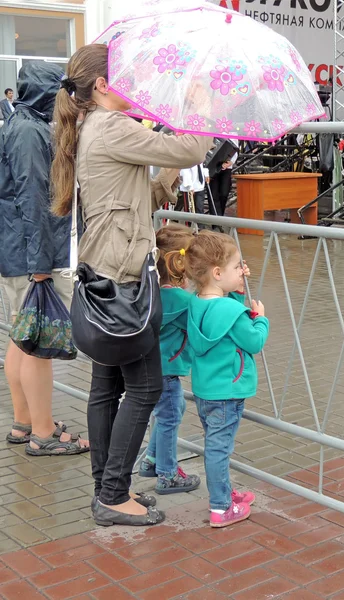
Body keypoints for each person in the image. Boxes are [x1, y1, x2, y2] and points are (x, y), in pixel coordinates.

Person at [50, 43, 212, 527]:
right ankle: (113, 494)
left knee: (107, 385)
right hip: (122, 280)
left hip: (103, 273)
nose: (136, 85)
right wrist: (197, 109)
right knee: (142, 389)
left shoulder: (92, 127)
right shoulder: (112, 126)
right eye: (125, 76)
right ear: (102, 85)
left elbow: (147, 192)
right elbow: (189, 147)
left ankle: (106, 487)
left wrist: (164, 163)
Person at [0, 61, 89, 456]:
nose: (68, 100)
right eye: (64, 92)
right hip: (28, 254)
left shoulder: (22, 125)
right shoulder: (29, 132)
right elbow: (32, 199)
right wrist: (41, 265)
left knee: (21, 339)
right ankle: (43, 432)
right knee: (37, 344)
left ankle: (25, 423)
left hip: (18, 251)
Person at [186, 230, 269, 527]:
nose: (241, 272)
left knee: (215, 443)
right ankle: (221, 507)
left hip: (206, 389)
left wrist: (236, 287)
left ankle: (225, 493)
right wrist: (260, 318)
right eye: (237, 268)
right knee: (220, 448)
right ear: (218, 272)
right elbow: (254, 342)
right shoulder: (233, 311)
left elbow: (220, 309)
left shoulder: (196, 302)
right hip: (229, 391)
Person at [137, 225, 202, 494]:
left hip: (148, 366)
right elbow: (201, 328)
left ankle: (152, 459)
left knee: (170, 413)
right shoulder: (182, 300)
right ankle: (167, 474)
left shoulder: (151, 292)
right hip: (166, 370)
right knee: (169, 416)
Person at [209, 147, 237, 216]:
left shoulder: (233, 135)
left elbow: (236, 150)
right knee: (213, 194)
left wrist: (231, 162)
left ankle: (220, 216)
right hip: (214, 166)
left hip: (227, 168)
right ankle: (215, 222)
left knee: (224, 193)